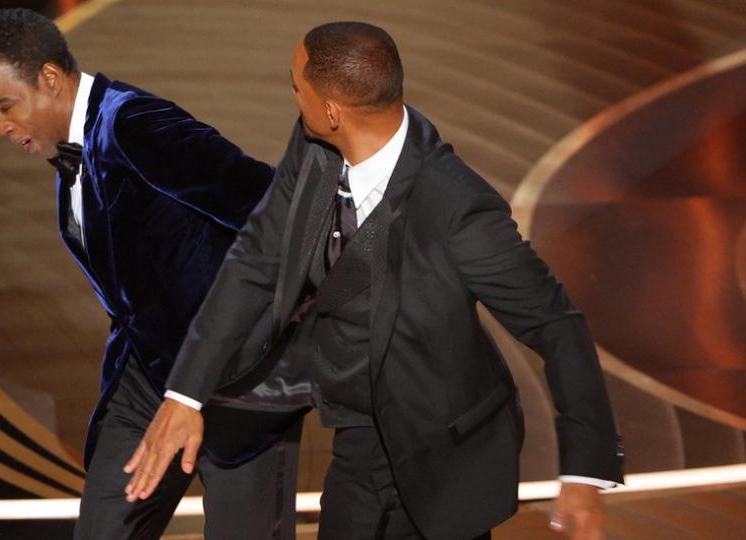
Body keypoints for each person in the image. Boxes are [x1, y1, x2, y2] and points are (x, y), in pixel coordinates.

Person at [124, 21, 625, 540]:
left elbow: (555, 324)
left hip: (445, 452)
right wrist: (185, 396)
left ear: (334, 111)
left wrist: (583, 474)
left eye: (297, 85)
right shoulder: (314, 147)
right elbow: (257, 257)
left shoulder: (459, 209)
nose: (293, 94)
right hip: (359, 439)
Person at [0, 8, 302, 540]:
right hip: (146, 378)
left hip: (237, 384)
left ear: (49, 78)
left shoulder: (135, 125)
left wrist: (273, 333)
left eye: (7, 107)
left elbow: (270, 206)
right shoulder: (71, 159)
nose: (3, 128)